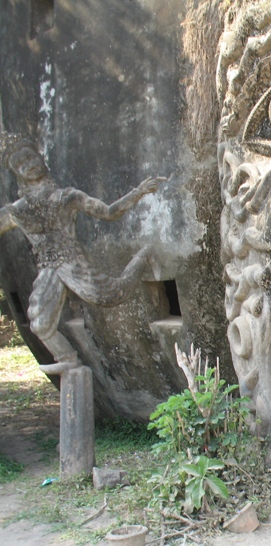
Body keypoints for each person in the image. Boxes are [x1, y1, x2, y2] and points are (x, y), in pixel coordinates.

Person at [0, 134, 164, 374]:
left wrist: (137, 192)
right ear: (17, 173)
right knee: (40, 323)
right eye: (20, 164)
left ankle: (144, 256)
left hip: (71, 261)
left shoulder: (67, 196)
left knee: (111, 295)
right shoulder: (17, 210)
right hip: (47, 268)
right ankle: (68, 359)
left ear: (41, 159)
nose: (29, 165)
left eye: (30, 157)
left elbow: (108, 212)